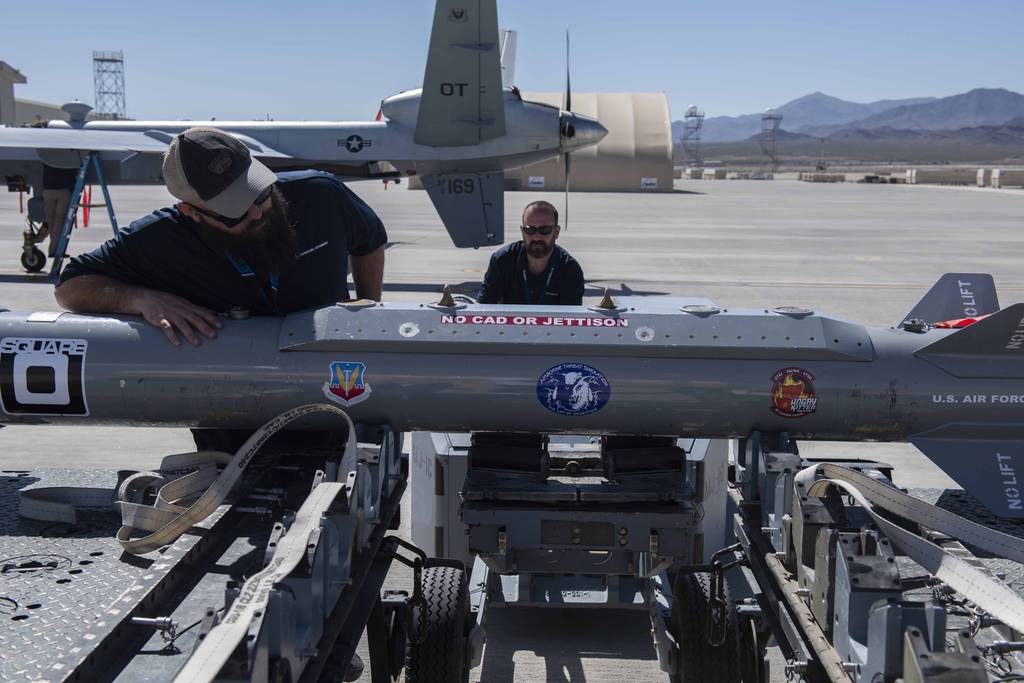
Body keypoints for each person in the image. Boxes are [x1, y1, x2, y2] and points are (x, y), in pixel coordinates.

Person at [55, 126, 386, 347]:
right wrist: (139, 299)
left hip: (332, 379)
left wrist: (368, 309)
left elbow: (369, 242)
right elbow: (70, 288)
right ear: (192, 212)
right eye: (237, 211)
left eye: (261, 193)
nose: (258, 212)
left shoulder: (321, 195)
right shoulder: (163, 238)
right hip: (233, 407)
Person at [477, 200, 584, 305]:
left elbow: (571, 318)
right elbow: (483, 309)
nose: (536, 236)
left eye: (544, 230)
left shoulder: (570, 269)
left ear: (556, 232)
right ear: (522, 231)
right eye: (530, 230)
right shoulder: (502, 261)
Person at [42, 163, 79, 257]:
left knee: (51, 222)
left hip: (48, 190)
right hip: (64, 190)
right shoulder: (68, 157)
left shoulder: (47, 157)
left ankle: (54, 248)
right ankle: (55, 250)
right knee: (59, 222)